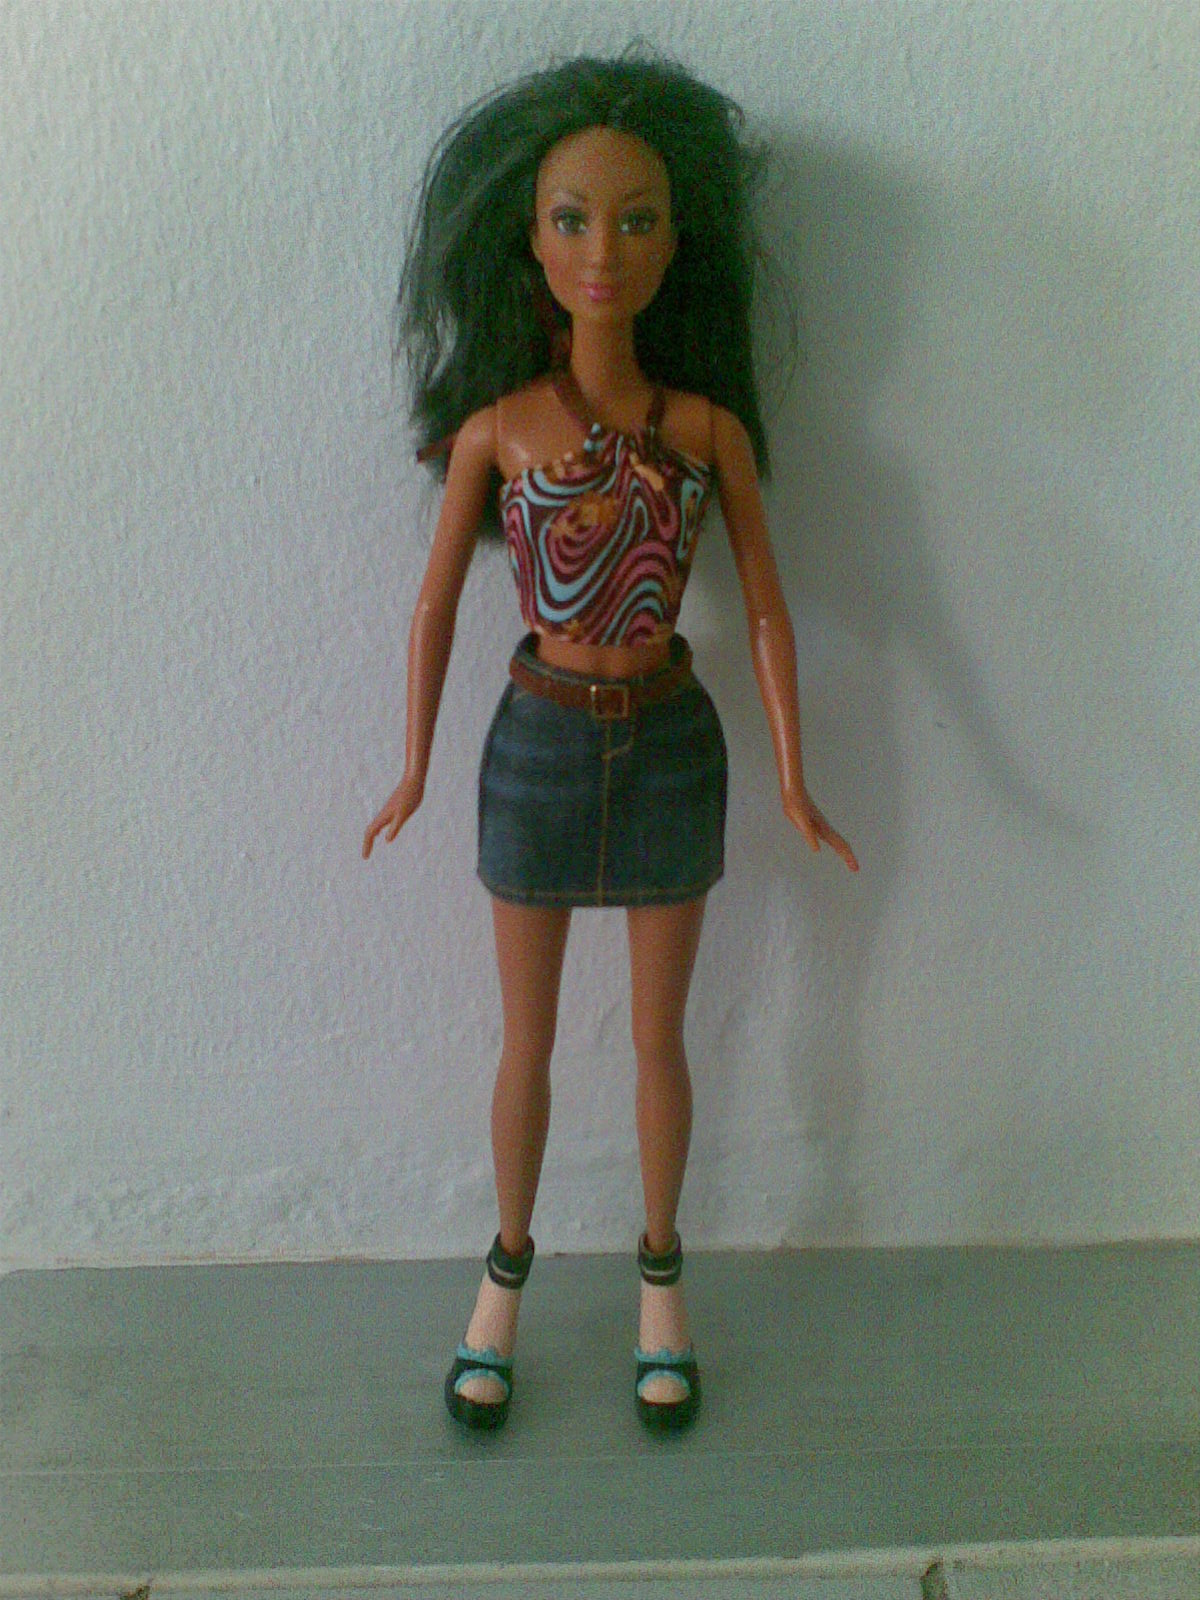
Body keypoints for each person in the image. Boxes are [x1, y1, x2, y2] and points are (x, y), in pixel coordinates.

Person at [363, 51, 858, 1433]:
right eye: (572, 219)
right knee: (523, 1043)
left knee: (658, 1042)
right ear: (527, 240)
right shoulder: (497, 433)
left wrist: (796, 774)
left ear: (678, 239)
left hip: (671, 744)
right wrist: (413, 765)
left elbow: (768, 607)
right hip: (536, 741)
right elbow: (433, 607)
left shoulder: (705, 432)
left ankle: (660, 1281)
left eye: (638, 219)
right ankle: (503, 1278)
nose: (604, 249)